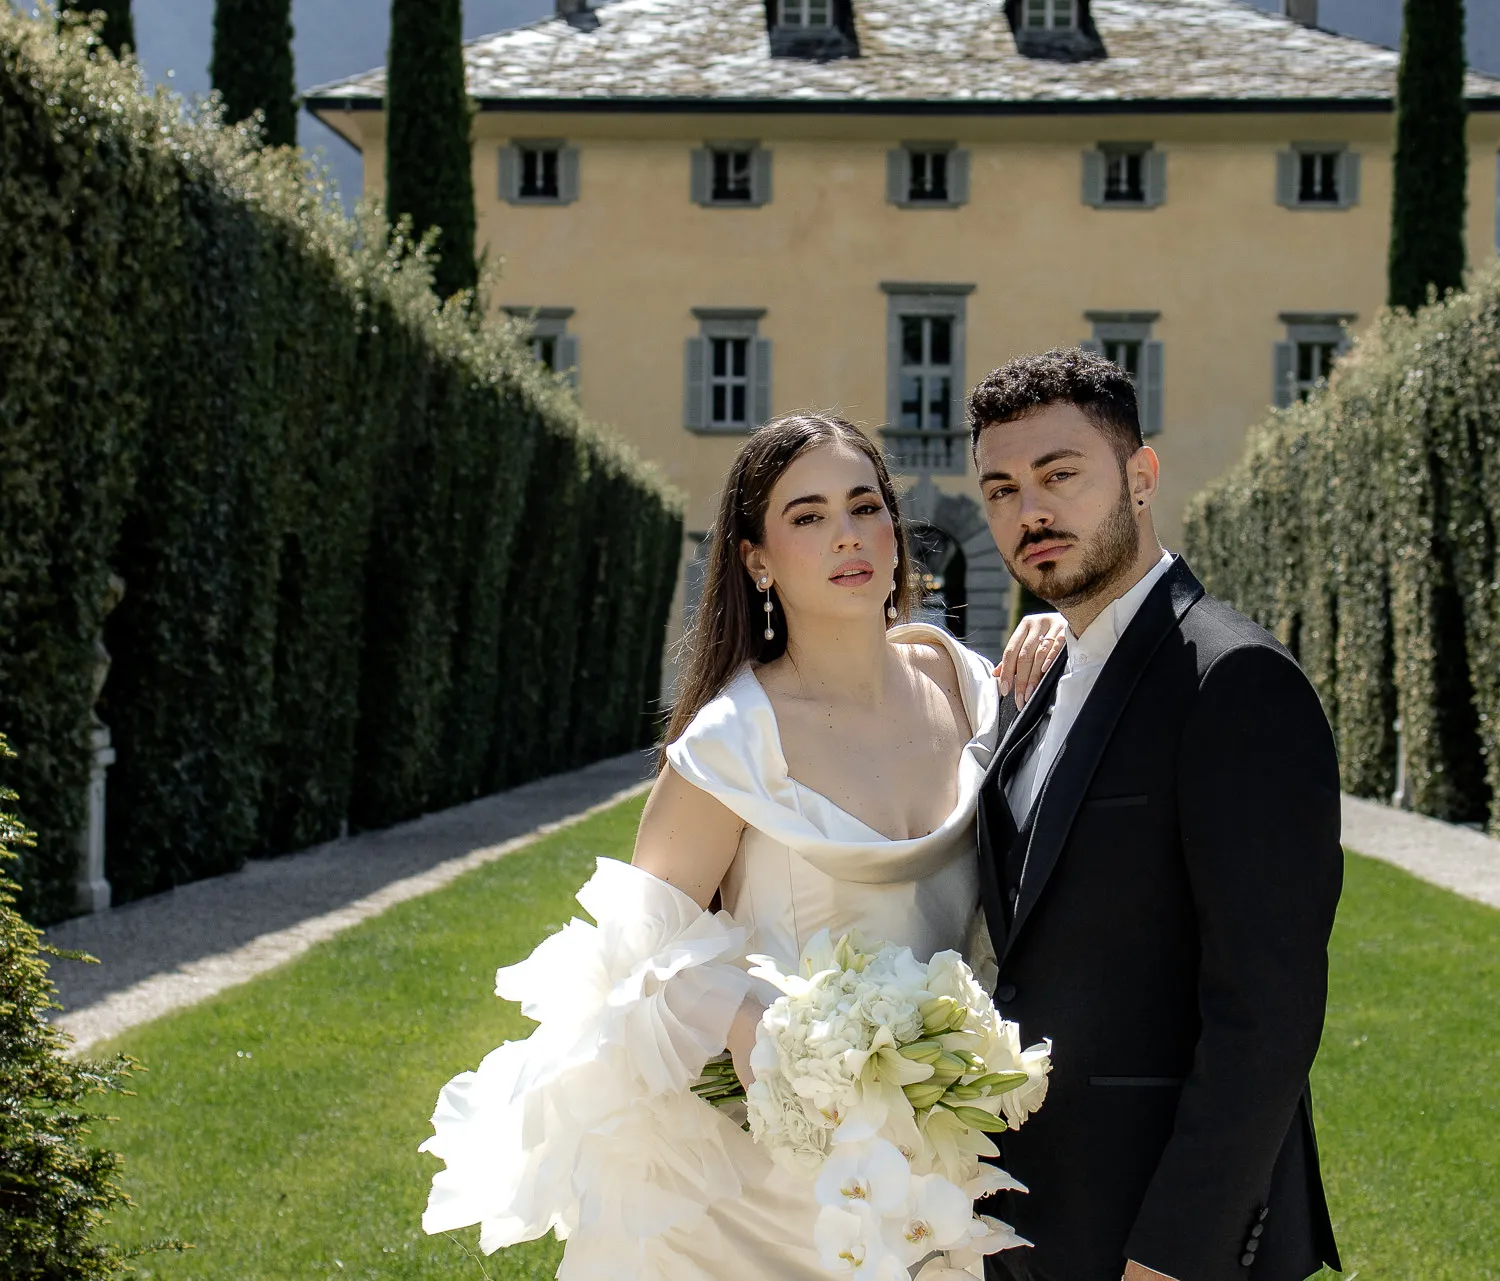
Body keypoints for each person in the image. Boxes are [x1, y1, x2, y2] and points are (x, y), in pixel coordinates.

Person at [418, 412, 1068, 1278]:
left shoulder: (969, 685)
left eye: (864, 505)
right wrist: (760, 1029)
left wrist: (1066, 639)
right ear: (757, 558)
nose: (847, 535)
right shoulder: (728, 745)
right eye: (806, 516)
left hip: (938, 1161)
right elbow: (635, 962)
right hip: (767, 1189)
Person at [967, 349, 1343, 1281]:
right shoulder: (1042, 677)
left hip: (1160, 1237)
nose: (1032, 511)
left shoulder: (1236, 680)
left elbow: (1268, 1015)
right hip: (1027, 1216)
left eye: (1060, 475)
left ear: (1141, 477)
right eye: (1003, 488)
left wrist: (1173, 1256)